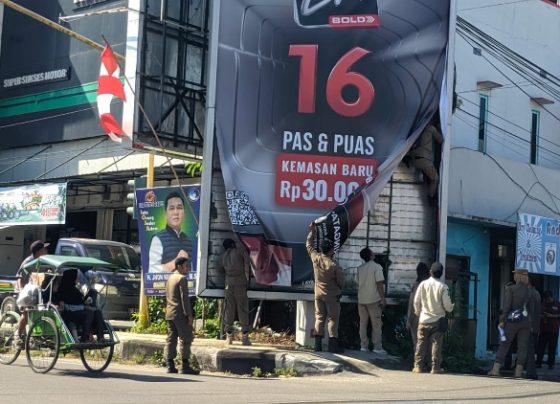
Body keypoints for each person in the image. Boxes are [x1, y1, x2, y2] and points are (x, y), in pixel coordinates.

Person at [488, 268, 535, 378]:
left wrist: (502, 321)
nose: (513, 276)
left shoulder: (511, 289)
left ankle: (495, 369)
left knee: (504, 344)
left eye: (515, 274)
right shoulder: (530, 291)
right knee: (522, 347)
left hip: (512, 321)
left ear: (518, 276)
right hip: (526, 322)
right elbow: (531, 310)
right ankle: (518, 372)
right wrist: (530, 323)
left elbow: (506, 307)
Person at [306, 223, 344, 353]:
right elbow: (341, 281)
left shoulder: (315, 258)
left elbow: (309, 245)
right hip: (332, 295)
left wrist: (312, 232)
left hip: (318, 293)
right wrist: (338, 289)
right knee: (333, 319)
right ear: (330, 250)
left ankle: (318, 346)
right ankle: (333, 346)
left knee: (319, 317)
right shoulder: (334, 265)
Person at [413, 262, 454, 374]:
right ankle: (435, 367)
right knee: (436, 344)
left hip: (423, 319)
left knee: (420, 343)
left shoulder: (423, 284)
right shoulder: (443, 287)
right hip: (438, 321)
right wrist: (450, 308)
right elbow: (447, 305)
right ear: (441, 274)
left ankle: (418, 366)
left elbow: (416, 301)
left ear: (430, 272)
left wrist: (418, 312)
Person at [165, 257, 199, 375]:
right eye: (186, 266)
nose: (188, 269)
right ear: (179, 266)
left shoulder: (170, 278)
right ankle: (185, 365)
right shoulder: (181, 279)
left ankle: (170, 365)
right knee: (186, 339)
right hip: (180, 314)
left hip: (170, 313)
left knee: (171, 339)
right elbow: (185, 299)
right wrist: (189, 315)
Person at [216, 238, 252, 345]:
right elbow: (247, 264)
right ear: (232, 244)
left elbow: (219, 269)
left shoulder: (223, 256)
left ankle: (229, 338)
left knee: (229, 309)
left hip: (228, 283)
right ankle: (245, 338)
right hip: (240, 282)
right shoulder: (240, 251)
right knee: (242, 308)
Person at [14, 240, 49, 346]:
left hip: (35, 290)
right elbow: (21, 279)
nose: (46, 250)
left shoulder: (43, 261)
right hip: (23, 290)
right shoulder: (28, 261)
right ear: (39, 251)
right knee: (26, 312)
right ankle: (17, 334)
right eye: (44, 249)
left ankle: (35, 336)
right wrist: (23, 294)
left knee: (43, 310)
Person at [149, 192, 192, 273]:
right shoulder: (158, 239)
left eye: (179, 208)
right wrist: (176, 262)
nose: (176, 212)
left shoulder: (189, 241)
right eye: (171, 208)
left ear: (184, 212)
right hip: (165, 285)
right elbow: (152, 270)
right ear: (165, 213)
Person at [356, 247, 386, 353]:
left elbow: (357, 283)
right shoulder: (377, 267)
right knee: (376, 324)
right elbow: (379, 284)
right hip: (374, 300)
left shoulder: (360, 268)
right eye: (372, 252)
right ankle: (377, 347)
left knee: (363, 323)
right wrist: (383, 299)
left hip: (361, 300)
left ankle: (363, 346)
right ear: (370, 256)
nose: (374, 253)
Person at [409, 124, 443, 202]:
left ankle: (423, 177)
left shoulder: (416, 126)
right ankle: (430, 197)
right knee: (435, 178)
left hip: (413, 158)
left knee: (425, 171)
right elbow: (440, 140)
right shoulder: (430, 127)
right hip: (424, 159)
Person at [406, 262, 430, 350]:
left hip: (417, 318)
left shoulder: (416, 286)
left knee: (417, 343)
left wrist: (408, 320)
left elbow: (412, 303)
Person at [536, 290, 560, 370]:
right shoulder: (543, 305)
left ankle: (551, 364)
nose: (547, 301)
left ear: (551, 297)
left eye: (548, 299)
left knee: (552, 348)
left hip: (554, 330)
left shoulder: (557, 304)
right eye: (546, 299)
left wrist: (552, 316)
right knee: (541, 347)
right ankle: (538, 362)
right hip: (544, 329)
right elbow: (537, 314)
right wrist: (542, 316)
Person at [525, 275, 541, 379]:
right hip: (535, 326)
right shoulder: (537, 294)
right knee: (530, 349)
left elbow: (530, 311)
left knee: (529, 350)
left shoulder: (530, 294)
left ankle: (531, 373)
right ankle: (530, 372)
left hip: (530, 327)